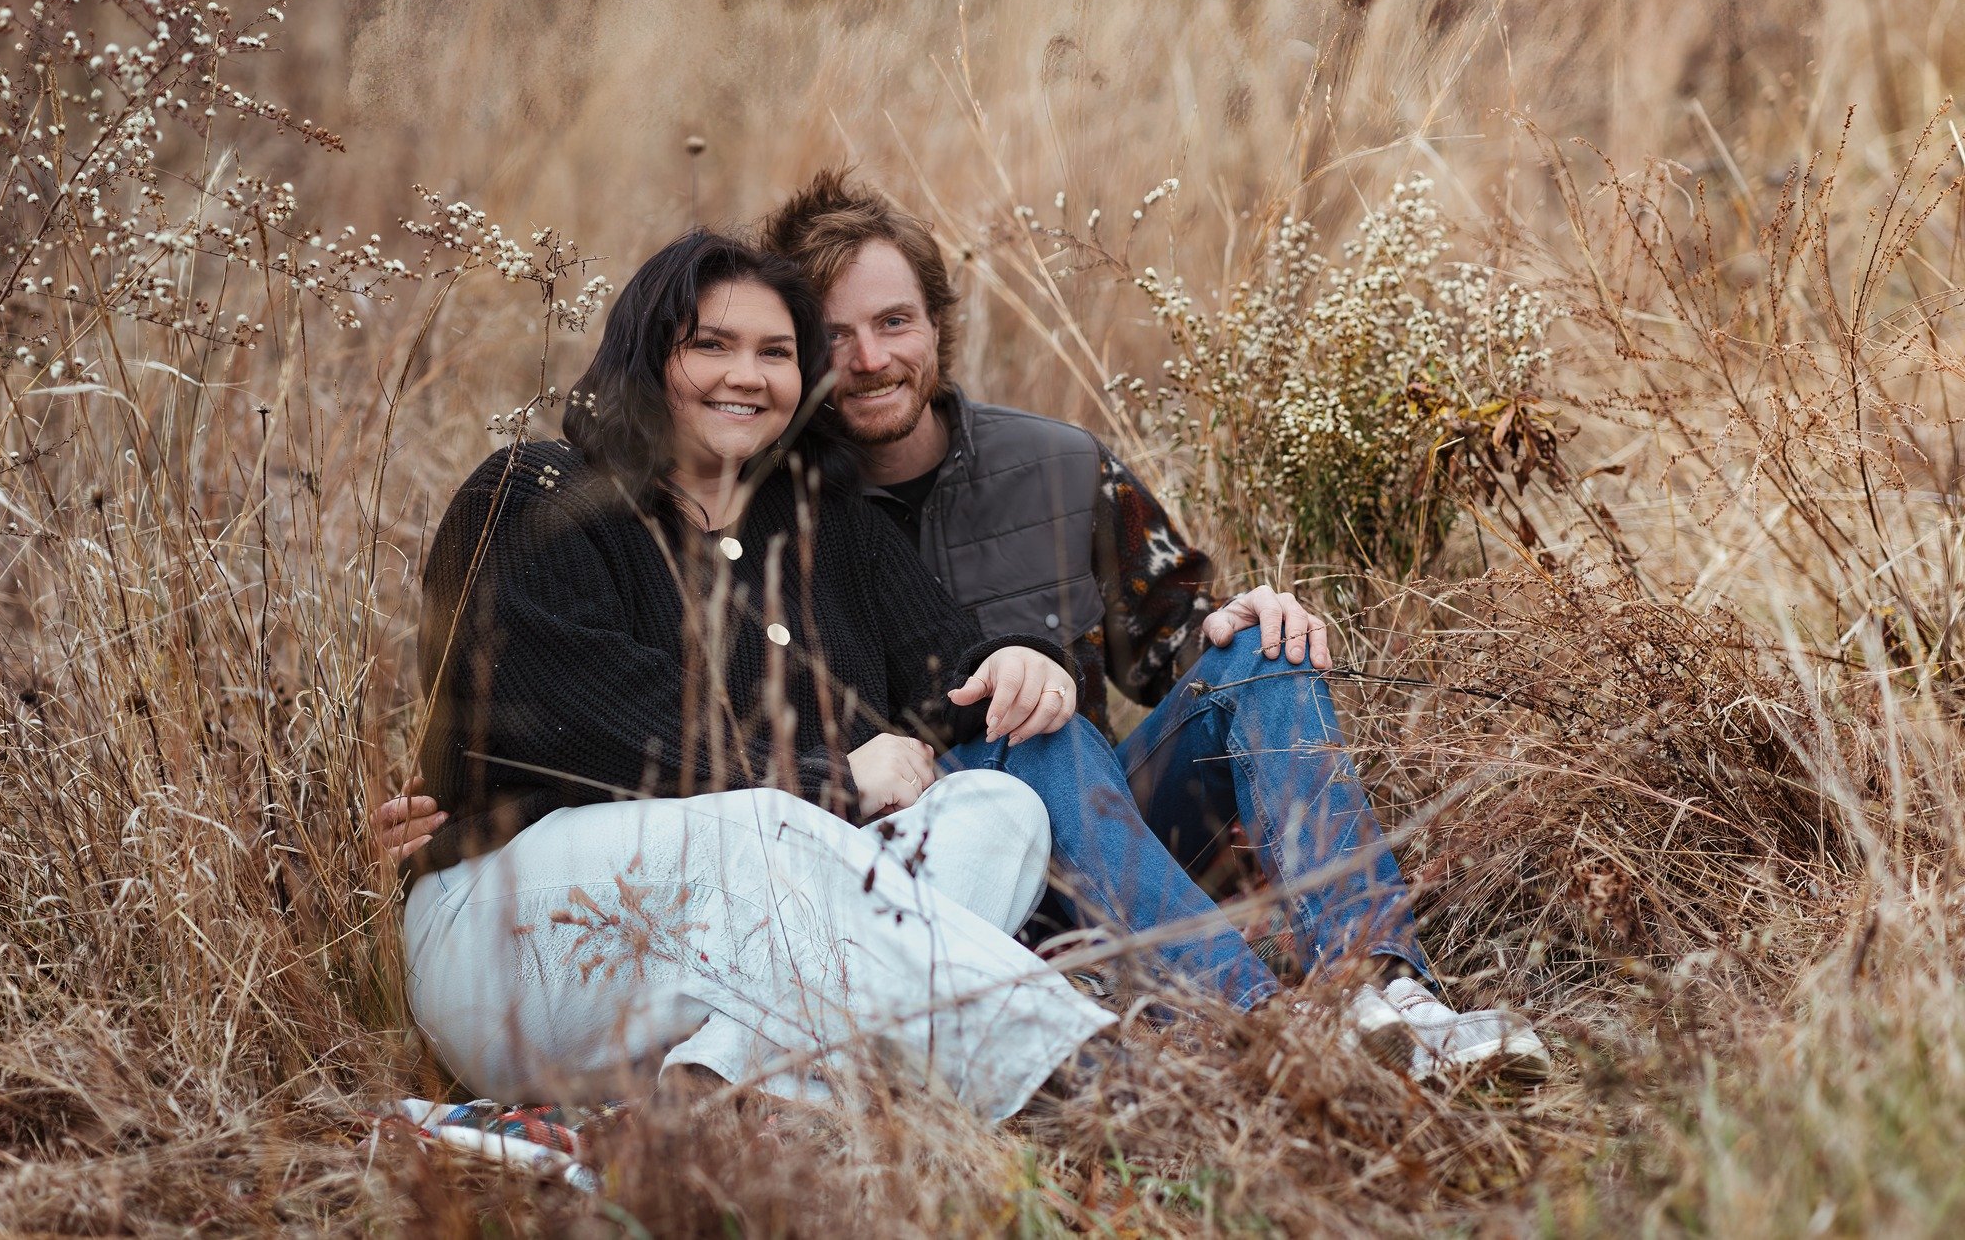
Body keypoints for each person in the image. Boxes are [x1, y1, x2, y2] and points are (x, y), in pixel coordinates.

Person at [389, 177, 1548, 1082]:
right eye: (821, 338)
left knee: (1221, 667)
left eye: (889, 324)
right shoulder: (630, 498)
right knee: (1011, 757)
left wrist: (1195, 631)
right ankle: (1254, 1030)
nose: (865, 359)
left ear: (935, 326)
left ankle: (1380, 993)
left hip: (1053, 855)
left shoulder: (1021, 475)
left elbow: (1104, 652)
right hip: (845, 877)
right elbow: (570, 710)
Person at [402, 230, 1115, 1119]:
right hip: (521, 934)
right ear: (647, 353)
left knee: (997, 813)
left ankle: (731, 1097)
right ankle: (1085, 1073)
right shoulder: (532, 493)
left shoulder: (821, 516)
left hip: (747, 954)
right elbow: (599, 726)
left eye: (775, 352)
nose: (747, 375)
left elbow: (944, 668)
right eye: (711, 344)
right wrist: (834, 774)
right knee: (764, 826)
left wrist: (1010, 659)